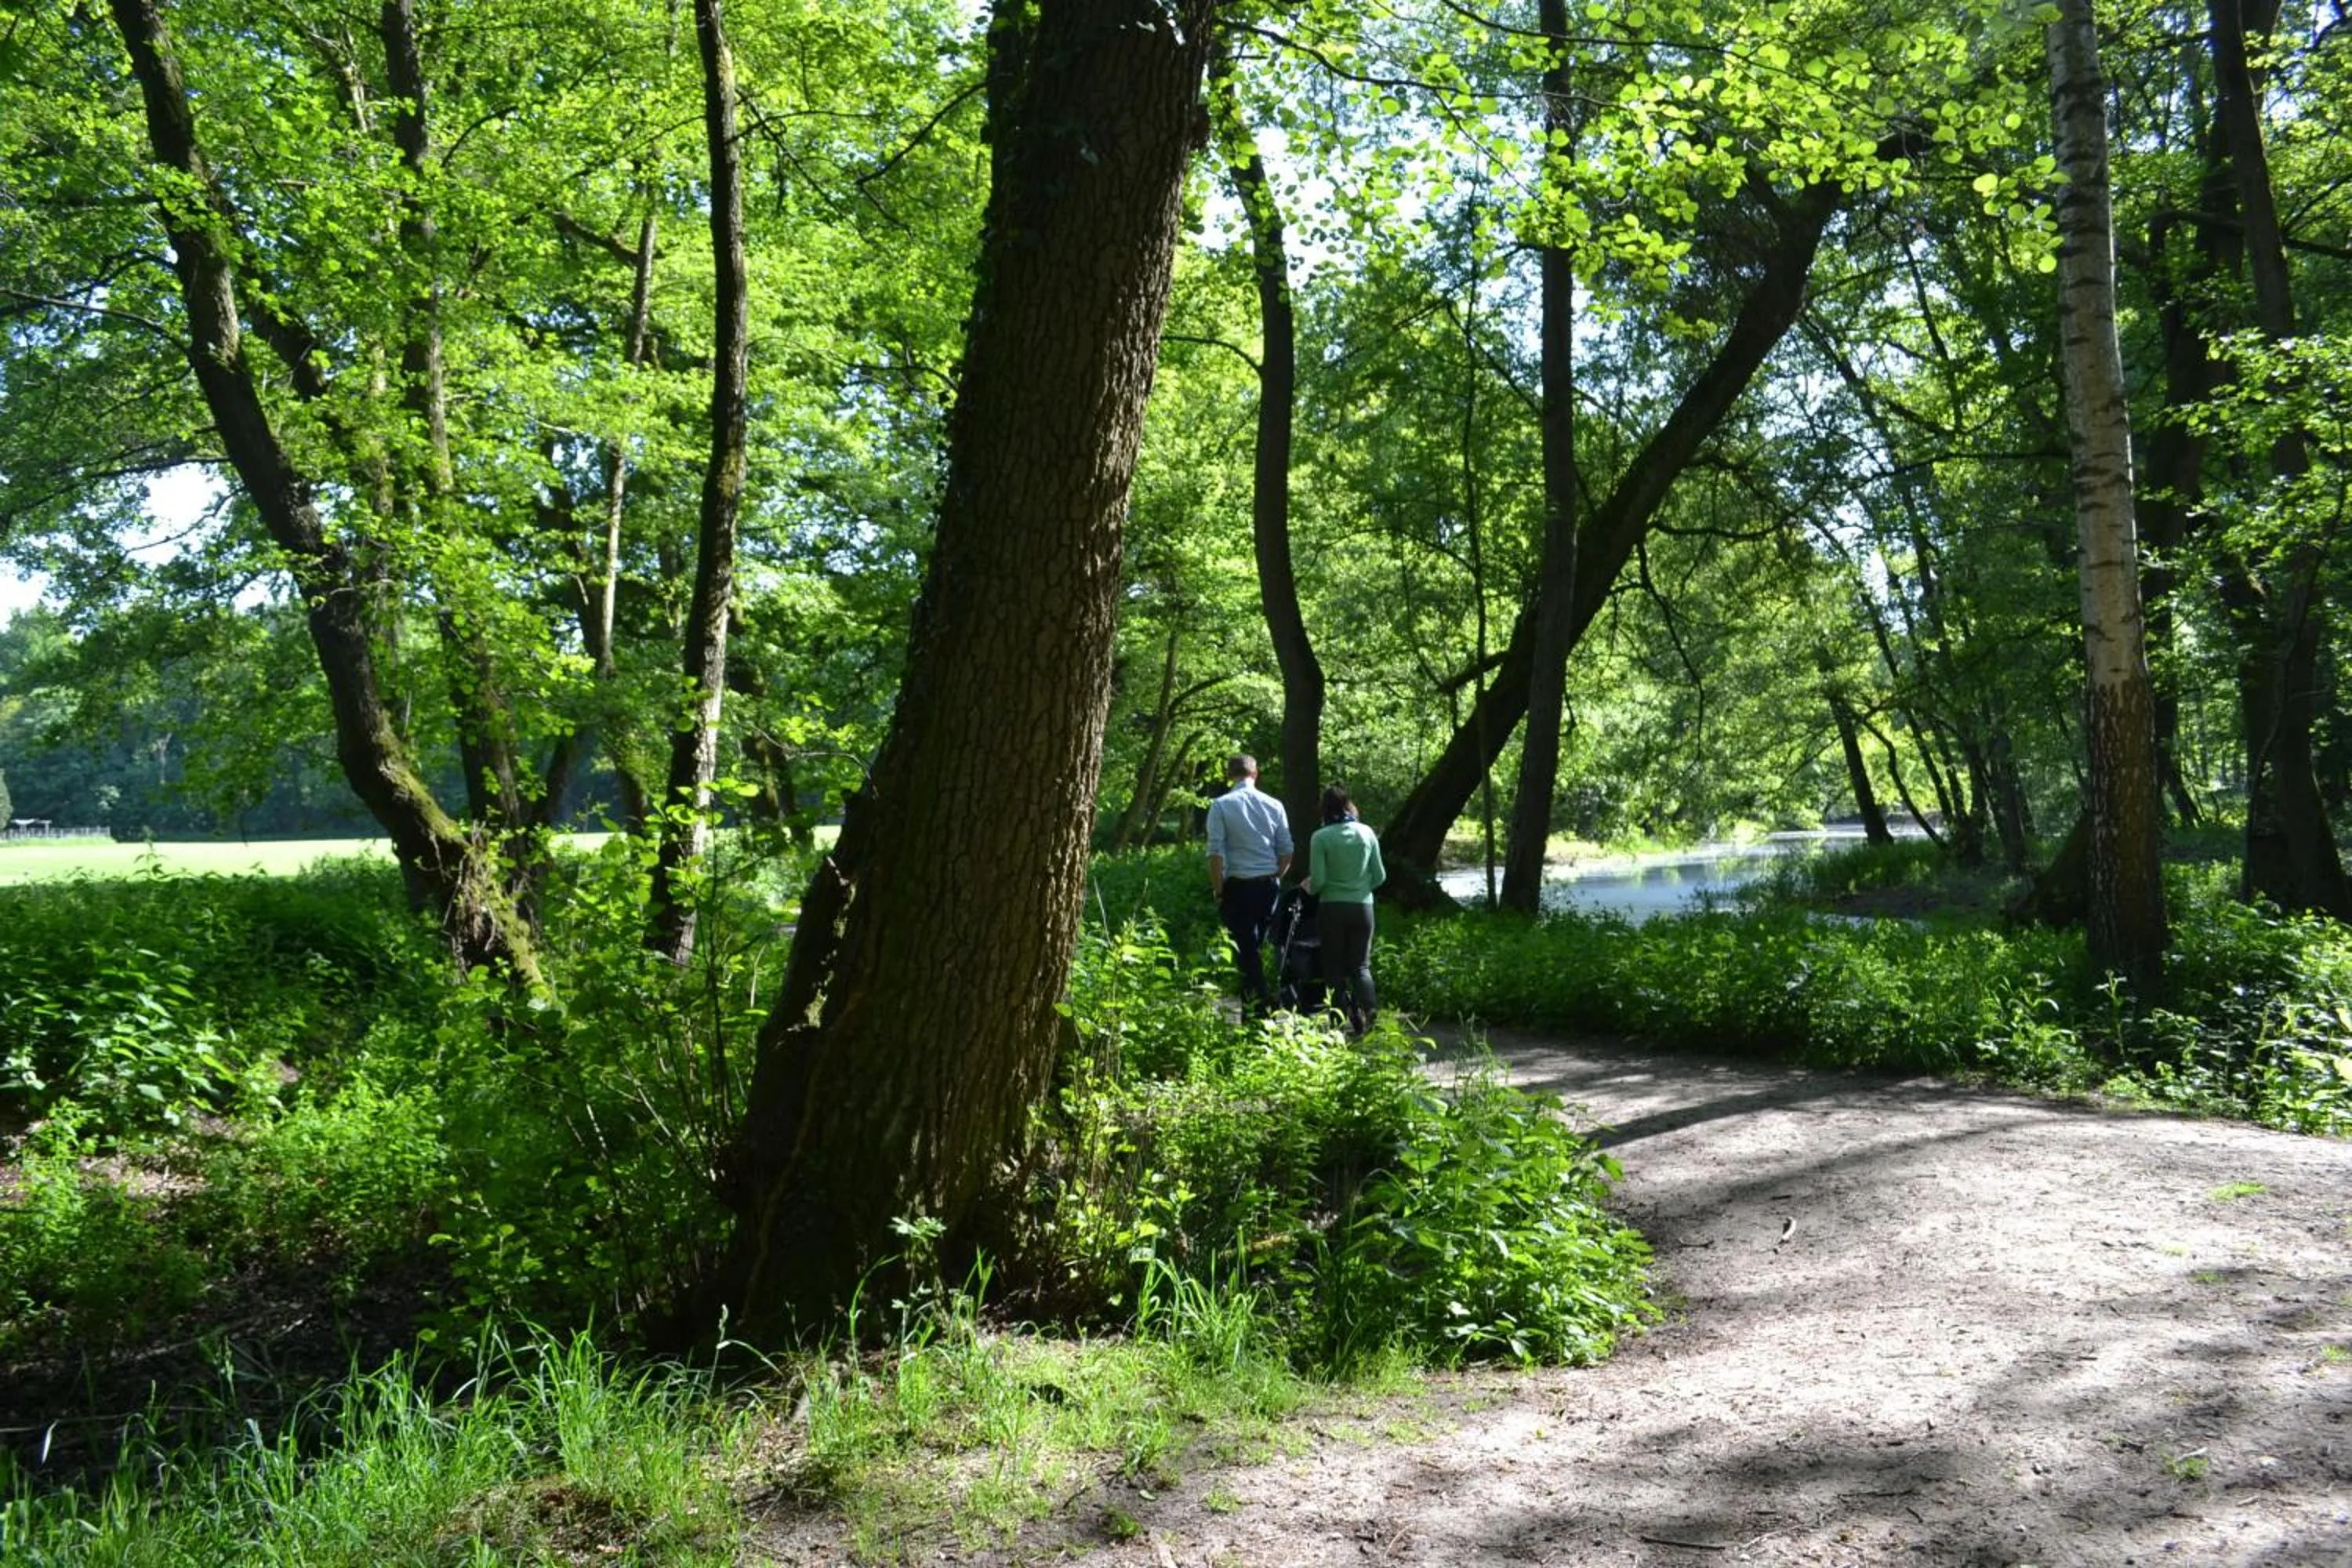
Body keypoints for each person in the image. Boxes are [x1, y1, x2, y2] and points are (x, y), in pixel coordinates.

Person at [1206, 753, 1292, 1011]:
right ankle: (1251, 1003)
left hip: (1238, 885)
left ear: (1230, 776)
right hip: (1267, 886)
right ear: (1256, 774)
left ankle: (1263, 1002)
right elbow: (1287, 850)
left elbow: (1215, 853)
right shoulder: (1274, 805)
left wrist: (1218, 889)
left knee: (1245, 946)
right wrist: (1277, 876)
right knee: (1252, 945)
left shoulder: (1221, 805)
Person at [1306, 783, 1385, 1035]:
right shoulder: (1367, 833)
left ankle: (1338, 1022)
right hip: (1363, 907)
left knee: (1333, 967)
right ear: (1348, 804)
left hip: (1332, 908)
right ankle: (1370, 1009)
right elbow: (1380, 875)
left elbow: (1317, 881)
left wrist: (1309, 888)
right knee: (1361, 966)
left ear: (1323, 809)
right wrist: (1361, 889)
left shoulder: (1320, 837)